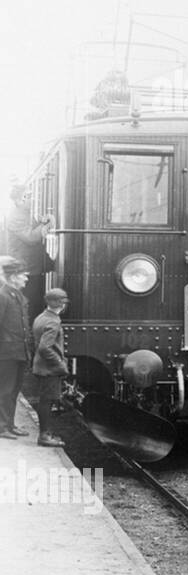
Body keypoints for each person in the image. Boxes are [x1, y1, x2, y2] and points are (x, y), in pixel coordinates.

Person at [2, 186, 52, 320]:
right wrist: (47, 224)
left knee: (34, 304)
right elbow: (30, 237)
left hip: (32, 267)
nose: (32, 199)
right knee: (30, 305)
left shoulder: (24, 212)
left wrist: (42, 222)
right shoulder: (15, 216)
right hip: (27, 268)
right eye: (28, 196)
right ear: (19, 200)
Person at [31, 287, 69, 447]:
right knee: (47, 401)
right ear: (62, 305)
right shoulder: (53, 321)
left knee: (45, 400)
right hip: (49, 369)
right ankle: (44, 436)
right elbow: (45, 348)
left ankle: (46, 432)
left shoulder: (41, 317)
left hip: (41, 366)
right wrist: (59, 365)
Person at [0, 257, 32, 439]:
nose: (26, 279)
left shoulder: (18, 296)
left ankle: (10, 424)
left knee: (14, 390)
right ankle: (2, 427)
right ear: (12, 277)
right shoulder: (2, 296)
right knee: (4, 390)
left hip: (19, 352)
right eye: (23, 276)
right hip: (6, 353)